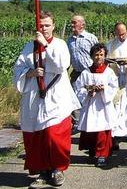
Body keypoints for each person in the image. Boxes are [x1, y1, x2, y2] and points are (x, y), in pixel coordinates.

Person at [13, 11, 81, 188]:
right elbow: (18, 69)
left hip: (55, 97)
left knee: (54, 135)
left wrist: (46, 46)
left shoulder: (59, 45)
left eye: (47, 25)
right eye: (41, 25)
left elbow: (61, 65)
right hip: (35, 97)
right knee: (38, 136)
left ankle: (57, 169)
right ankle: (43, 171)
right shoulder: (29, 47)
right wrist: (30, 73)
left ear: (53, 26)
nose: (44, 28)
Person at [75, 43, 120, 167]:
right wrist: (88, 91)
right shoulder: (86, 72)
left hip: (103, 105)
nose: (98, 57)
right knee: (91, 129)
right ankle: (93, 151)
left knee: (102, 130)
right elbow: (79, 88)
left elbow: (114, 87)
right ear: (91, 56)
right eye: (96, 55)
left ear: (105, 56)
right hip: (91, 104)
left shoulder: (109, 72)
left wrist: (104, 89)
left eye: (101, 55)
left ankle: (102, 154)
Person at [67, 15, 98, 127]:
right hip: (76, 72)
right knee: (74, 96)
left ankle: (91, 121)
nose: (72, 25)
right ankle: (77, 123)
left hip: (89, 73)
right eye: (71, 22)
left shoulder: (90, 38)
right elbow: (68, 57)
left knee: (90, 96)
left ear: (82, 25)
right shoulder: (69, 40)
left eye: (74, 22)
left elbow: (99, 54)